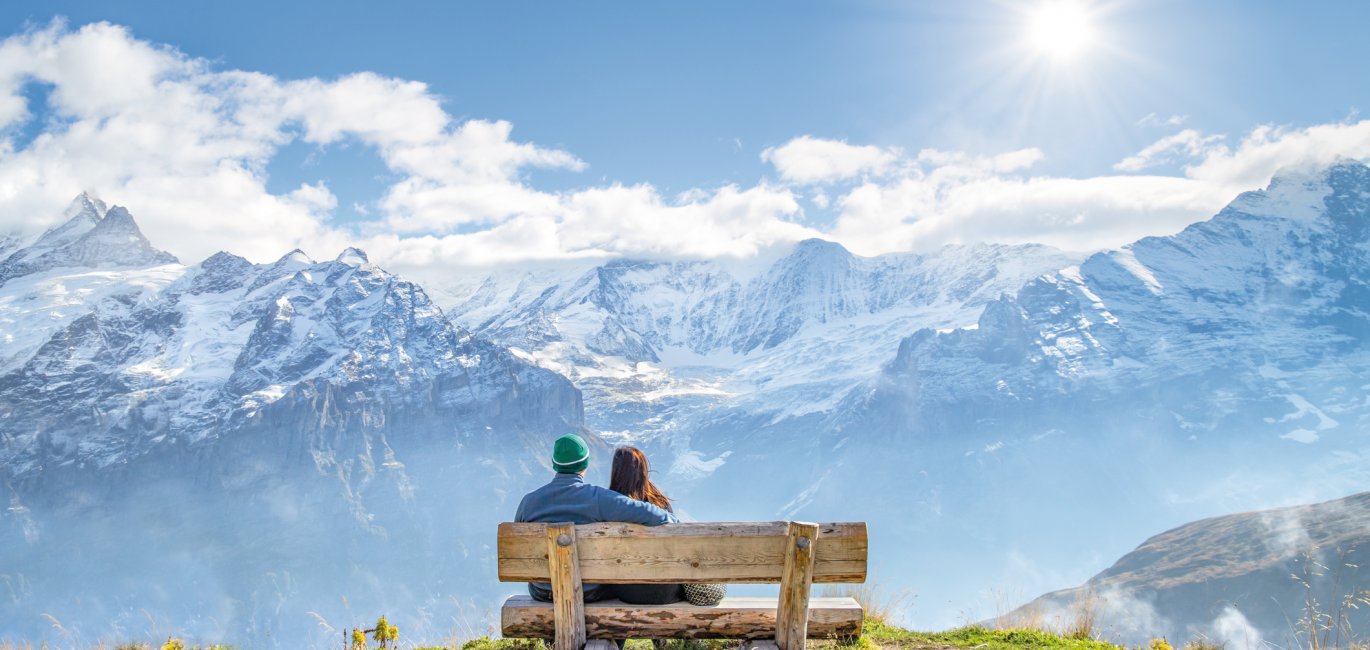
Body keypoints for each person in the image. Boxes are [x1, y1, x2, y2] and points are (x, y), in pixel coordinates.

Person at [515, 433, 677, 603]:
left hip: (542, 592)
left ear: (554, 464)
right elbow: (651, 514)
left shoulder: (528, 502)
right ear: (585, 464)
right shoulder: (599, 498)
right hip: (587, 592)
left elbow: (519, 548)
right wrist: (672, 518)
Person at [607, 446, 684, 605]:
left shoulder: (608, 507)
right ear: (643, 470)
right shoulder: (659, 503)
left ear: (615, 471)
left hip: (627, 592)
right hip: (666, 592)